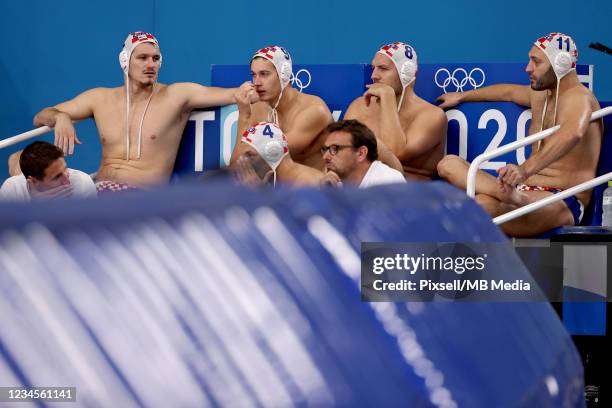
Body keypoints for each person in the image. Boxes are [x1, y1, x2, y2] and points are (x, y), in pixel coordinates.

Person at [436, 33, 602, 236]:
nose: (528, 68)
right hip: (525, 191)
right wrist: (462, 95)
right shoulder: (542, 94)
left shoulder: (578, 97)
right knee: (448, 164)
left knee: (481, 207)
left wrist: (524, 170)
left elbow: (572, 133)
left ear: (561, 63)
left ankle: (514, 197)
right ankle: (507, 194)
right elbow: (507, 92)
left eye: (536, 62)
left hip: (562, 199)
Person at [33, 31, 237, 192]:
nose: (151, 65)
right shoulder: (100, 98)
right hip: (98, 191)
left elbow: (234, 94)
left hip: (140, 198)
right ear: (125, 60)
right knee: (19, 166)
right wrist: (60, 117)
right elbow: (41, 116)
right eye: (143, 58)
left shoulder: (176, 95)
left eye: (155, 59)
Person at [344, 42, 447, 180]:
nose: (374, 75)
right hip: (362, 190)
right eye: (373, 68)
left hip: (410, 195)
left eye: (383, 68)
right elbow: (341, 151)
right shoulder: (359, 106)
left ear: (407, 73)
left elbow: (394, 154)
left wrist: (387, 98)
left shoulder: (432, 116)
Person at [230, 45, 333, 170]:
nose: (256, 82)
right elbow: (236, 167)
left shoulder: (314, 110)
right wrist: (243, 116)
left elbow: (272, 155)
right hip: (277, 187)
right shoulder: (258, 108)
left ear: (284, 74)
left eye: (264, 74)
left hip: (314, 187)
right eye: (254, 75)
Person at [235, 120, 405, 189]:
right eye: (325, 149)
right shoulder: (335, 186)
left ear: (361, 153)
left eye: (335, 149)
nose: (326, 157)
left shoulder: (388, 181)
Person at [0, 141, 96, 201]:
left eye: (65, 168)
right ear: (33, 181)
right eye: (57, 177)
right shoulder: (12, 190)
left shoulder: (83, 183)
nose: (67, 181)